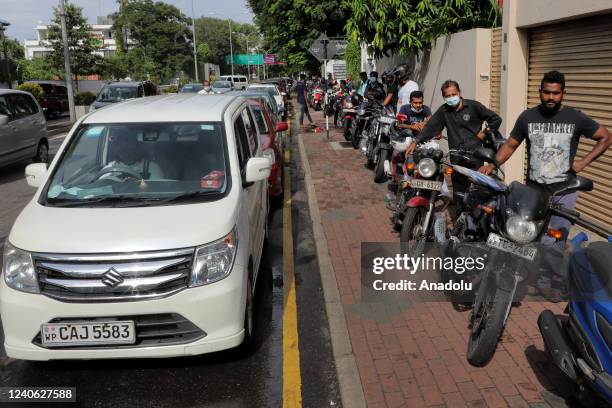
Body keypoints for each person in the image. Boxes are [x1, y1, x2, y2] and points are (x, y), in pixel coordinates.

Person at [480, 70, 611, 300]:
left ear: (563, 94)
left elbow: (605, 136)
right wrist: (492, 165)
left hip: (564, 190)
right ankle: (530, 273)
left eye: (556, 93)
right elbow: (510, 145)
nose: (551, 97)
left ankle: (552, 280)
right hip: (534, 189)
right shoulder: (527, 117)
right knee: (525, 233)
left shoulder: (576, 118)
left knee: (554, 240)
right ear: (540, 92)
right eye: (547, 92)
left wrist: (583, 162)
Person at [406, 80, 502, 218]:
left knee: (474, 192)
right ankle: (458, 223)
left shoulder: (474, 106)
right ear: (444, 97)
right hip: (456, 158)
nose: (451, 98)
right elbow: (431, 127)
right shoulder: (444, 111)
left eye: (453, 94)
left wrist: (485, 132)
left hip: (475, 157)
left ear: (459, 93)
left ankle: (474, 223)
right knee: (458, 193)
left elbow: (495, 119)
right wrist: (416, 141)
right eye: (448, 96)